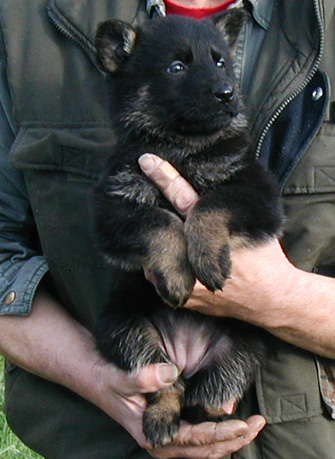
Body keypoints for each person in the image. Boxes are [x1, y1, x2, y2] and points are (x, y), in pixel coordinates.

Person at [0, 0, 334, 458]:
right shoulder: (22, 21)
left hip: (297, 432)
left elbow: (257, 205)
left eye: (220, 62)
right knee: (122, 324)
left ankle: (213, 402)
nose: (217, 83)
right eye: (178, 66)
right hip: (110, 414)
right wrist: (100, 380)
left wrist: (276, 296)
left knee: (240, 351)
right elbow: (101, 226)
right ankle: (167, 394)